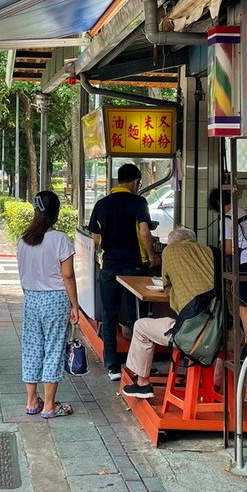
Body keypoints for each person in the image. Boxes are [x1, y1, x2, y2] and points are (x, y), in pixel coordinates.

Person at [86, 163, 161, 381]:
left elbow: (96, 238)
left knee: (110, 315)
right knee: (138, 316)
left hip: (109, 266)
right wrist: (152, 256)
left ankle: (112, 366)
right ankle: (140, 367)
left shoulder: (102, 204)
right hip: (134, 267)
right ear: (136, 181)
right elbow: (145, 233)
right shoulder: (138, 202)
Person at [122, 227, 215, 399]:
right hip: (220, 331)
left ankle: (142, 384)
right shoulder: (209, 252)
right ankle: (215, 385)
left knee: (141, 326)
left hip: (192, 335)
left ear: (172, 243)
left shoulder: (171, 251)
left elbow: (166, 284)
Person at [17, 190, 80, 419]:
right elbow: (68, 275)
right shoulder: (60, 239)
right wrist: (74, 305)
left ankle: (32, 401)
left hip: (31, 298)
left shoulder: (23, 240)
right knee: (54, 349)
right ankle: (50, 405)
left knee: (32, 348)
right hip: (55, 299)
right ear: (56, 212)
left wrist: (31, 294)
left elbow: (22, 275)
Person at [209, 188, 247, 354]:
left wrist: (219, 248)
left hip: (246, 264)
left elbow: (227, 249)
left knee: (243, 309)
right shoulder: (245, 213)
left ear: (219, 203)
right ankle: (246, 344)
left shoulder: (227, 218)